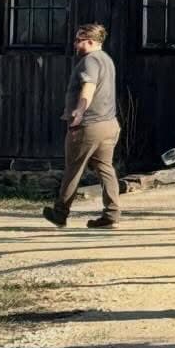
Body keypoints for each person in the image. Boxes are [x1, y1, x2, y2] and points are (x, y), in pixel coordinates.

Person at [42, 23, 122, 230]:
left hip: (89, 126)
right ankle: (112, 213)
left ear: (90, 41)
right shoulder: (107, 60)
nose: (75, 43)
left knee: (73, 169)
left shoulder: (90, 61)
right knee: (105, 168)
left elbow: (89, 87)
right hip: (109, 123)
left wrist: (79, 111)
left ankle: (60, 213)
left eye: (79, 40)